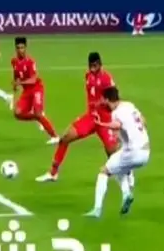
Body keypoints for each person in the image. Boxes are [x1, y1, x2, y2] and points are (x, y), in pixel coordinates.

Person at [36, 52, 128, 183]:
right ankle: (53, 173)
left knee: (112, 153)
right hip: (91, 118)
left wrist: (105, 106)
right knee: (65, 138)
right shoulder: (88, 76)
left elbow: (115, 98)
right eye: (90, 65)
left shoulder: (107, 79)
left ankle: (126, 176)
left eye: (95, 65)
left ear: (100, 64)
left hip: (105, 121)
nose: (92, 68)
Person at [86, 87, 150, 218]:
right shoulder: (130, 105)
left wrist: (100, 124)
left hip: (133, 152)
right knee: (118, 167)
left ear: (107, 99)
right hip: (146, 152)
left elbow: (117, 125)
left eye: (103, 99)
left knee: (104, 172)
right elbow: (143, 121)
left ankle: (97, 210)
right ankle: (126, 194)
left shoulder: (116, 113)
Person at [11, 36, 58, 143]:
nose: (20, 50)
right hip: (27, 91)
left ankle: (55, 136)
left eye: (22, 48)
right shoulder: (14, 61)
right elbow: (16, 73)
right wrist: (15, 84)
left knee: (38, 113)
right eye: (18, 48)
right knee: (17, 113)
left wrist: (20, 83)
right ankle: (37, 117)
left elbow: (33, 79)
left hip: (36, 89)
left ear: (25, 48)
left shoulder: (30, 62)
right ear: (15, 49)